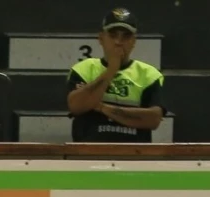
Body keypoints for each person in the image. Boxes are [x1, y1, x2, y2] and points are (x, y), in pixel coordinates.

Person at [67, 9, 164, 143]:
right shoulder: (84, 69)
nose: (119, 41)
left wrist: (102, 107)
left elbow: (153, 119)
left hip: (135, 155)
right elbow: (77, 107)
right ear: (101, 39)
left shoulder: (149, 74)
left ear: (134, 41)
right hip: (87, 152)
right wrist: (111, 70)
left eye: (126, 36)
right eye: (113, 35)